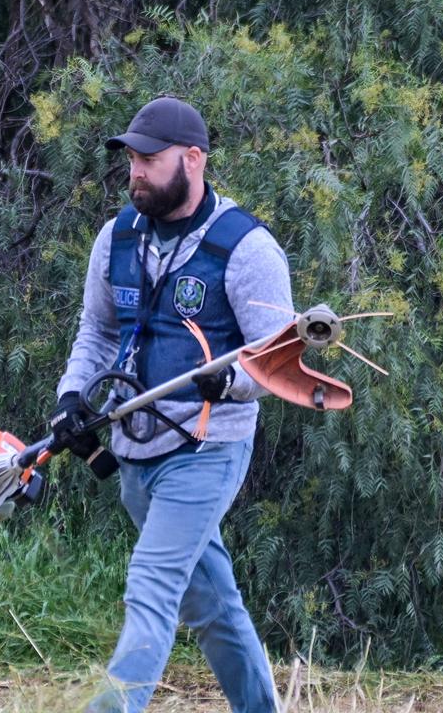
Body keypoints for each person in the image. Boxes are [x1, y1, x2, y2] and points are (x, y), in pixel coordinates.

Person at [49, 96, 294, 713]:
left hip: (208, 446)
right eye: (131, 159)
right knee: (210, 604)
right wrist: (71, 397)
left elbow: (280, 364)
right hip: (134, 449)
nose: (135, 172)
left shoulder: (248, 249)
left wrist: (231, 381)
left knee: (151, 587)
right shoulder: (117, 237)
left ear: (193, 159)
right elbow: (97, 331)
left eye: (149, 161)